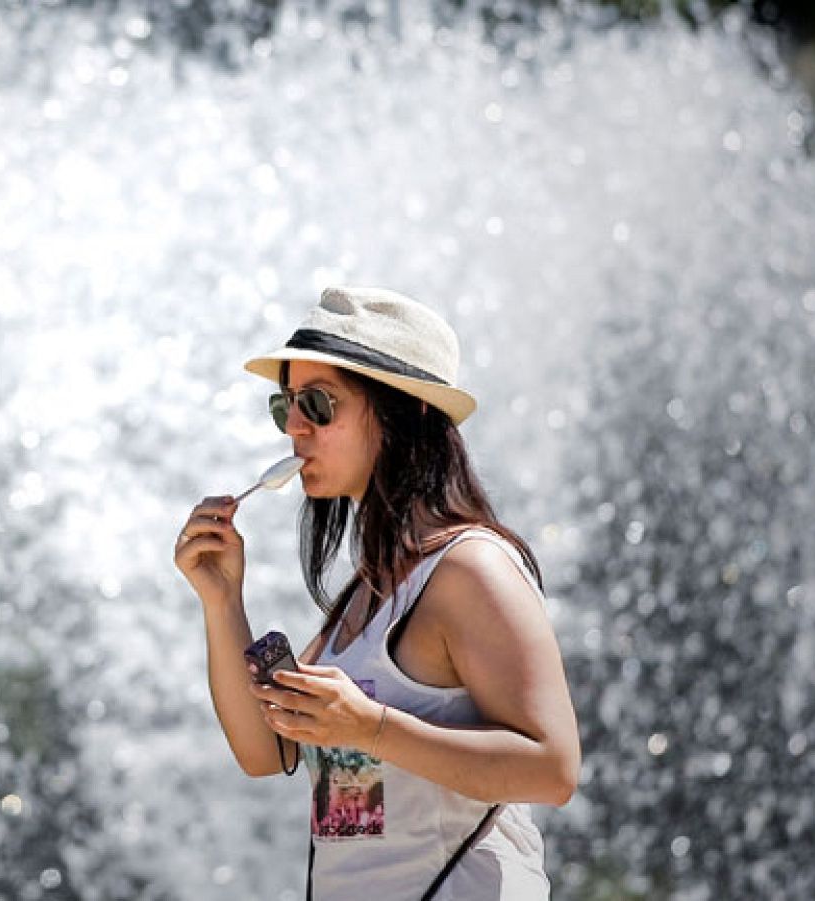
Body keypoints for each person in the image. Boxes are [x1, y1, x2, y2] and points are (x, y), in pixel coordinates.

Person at [173, 286, 580, 900]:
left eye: (318, 403)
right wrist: (223, 600)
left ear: (404, 411)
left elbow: (552, 770)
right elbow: (265, 750)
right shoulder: (367, 594)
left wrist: (370, 728)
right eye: (283, 407)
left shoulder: (471, 567)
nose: (295, 428)